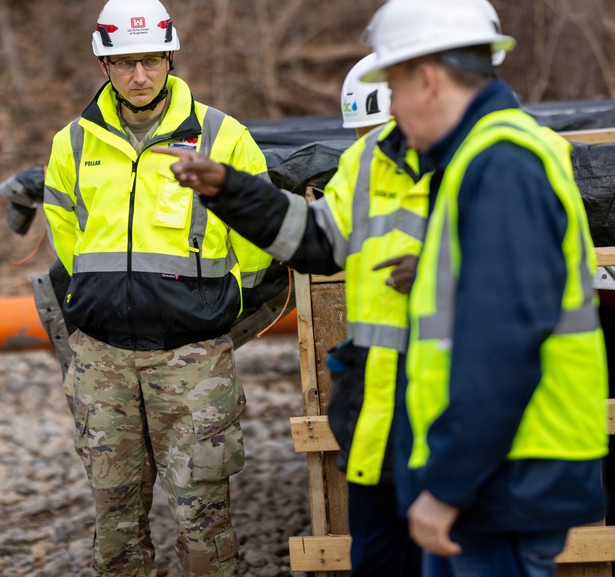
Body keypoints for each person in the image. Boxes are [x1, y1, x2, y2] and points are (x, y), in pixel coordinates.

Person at [360, 0, 609, 577]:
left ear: (427, 78)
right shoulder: (485, 157)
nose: (390, 107)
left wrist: (447, 488)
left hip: (502, 482)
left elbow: (503, 347)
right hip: (498, 476)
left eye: (391, 85)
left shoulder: (500, 167)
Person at [156, 54, 427, 576]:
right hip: (382, 421)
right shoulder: (369, 165)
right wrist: (230, 191)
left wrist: (449, 265)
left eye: (378, 131)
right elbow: (314, 239)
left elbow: (541, 268)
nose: (368, 144)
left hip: (459, 422)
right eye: (363, 134)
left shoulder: (498, 160)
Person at [42, 0, 274, 577]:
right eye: (124, 62)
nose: (139, 74)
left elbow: (260, 236)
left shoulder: (223, 138)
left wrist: (217, 308)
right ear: (104, 65)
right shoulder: (72, 144)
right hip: (102, 358)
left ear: (171, 57)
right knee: (115, 524)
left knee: (203, 521)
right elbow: (67, 235)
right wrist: (93, 302)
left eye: (151, 59)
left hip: (191, 358)